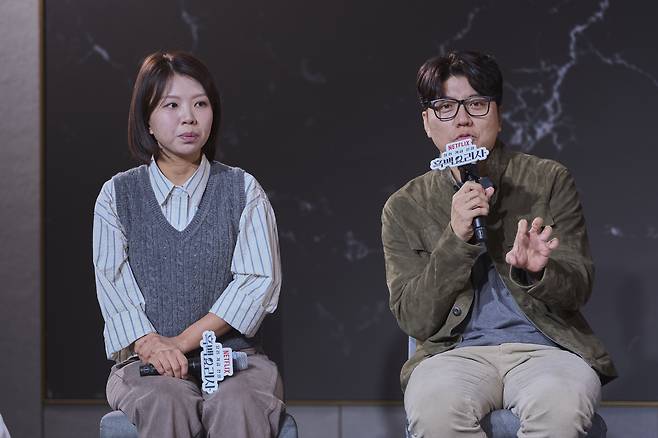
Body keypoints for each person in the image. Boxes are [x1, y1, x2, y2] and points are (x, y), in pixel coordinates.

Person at [381, 51, 617, 438]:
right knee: (435, 411)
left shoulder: (547, 179)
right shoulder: (404, 207)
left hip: (547, 351)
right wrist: (455, 238)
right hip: (453, 355)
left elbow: (579, 288)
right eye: (444, 107)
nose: (462, 119)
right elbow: (414, 317)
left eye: (476, 103)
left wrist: (538, 271)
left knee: (561, 408)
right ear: (427, 122)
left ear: (498, 113)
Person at [93, 51, 284, 437]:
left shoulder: (242, 189)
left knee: (239, 404)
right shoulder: (117, 195)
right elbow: (114, 288)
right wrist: (152, 346)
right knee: (167, 400)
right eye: (171, 105)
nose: (189, 117)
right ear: (146, 118)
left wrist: (180, 343)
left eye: (200, 104)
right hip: (145, 365)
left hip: (236, 359)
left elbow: (256, 283)